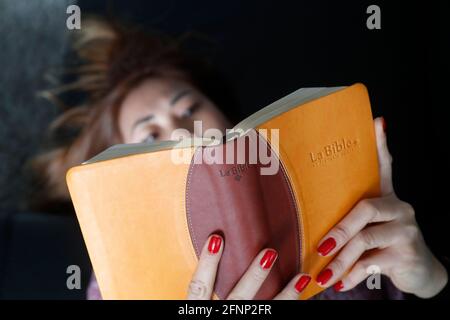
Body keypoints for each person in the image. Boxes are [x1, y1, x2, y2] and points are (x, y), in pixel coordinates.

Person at [30, 17, 447, 300]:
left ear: (225, 116)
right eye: (149, 133)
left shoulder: (351, 199)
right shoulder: (116, 279)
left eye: (189, 108)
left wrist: (430, 278)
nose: (179, 132)